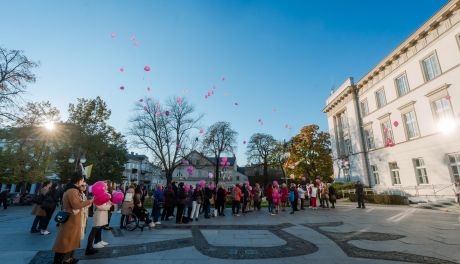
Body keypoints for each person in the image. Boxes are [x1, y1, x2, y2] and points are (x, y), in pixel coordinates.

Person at [53, 172, 93, 264]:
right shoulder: (72, 191)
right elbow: (76, 205)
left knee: (70, 241)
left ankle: (68, 259)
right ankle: (59, 261)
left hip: (73, 219)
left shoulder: (73, 190)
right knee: (65, 242)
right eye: (82, 180)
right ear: (79, 180)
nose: (83, 182)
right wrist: (89, 201)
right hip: (71, 220)